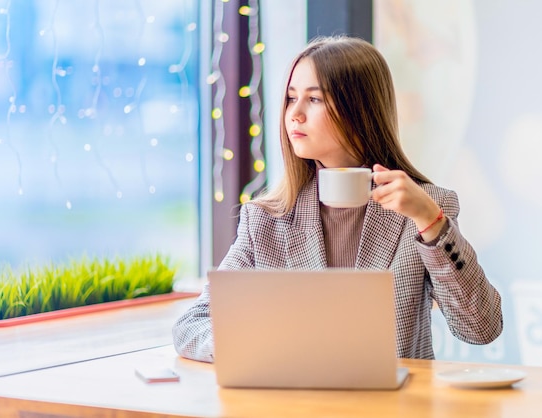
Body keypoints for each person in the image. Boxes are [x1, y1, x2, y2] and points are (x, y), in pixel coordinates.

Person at [172, 35, 503, 363]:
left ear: (360, 108)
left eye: (314, 99)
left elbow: (480, 327)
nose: (294, 115)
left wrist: (431, 222)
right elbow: (192, 327)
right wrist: (264, 346)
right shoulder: (265, 219)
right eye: (290, 98)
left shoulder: (425, 207)